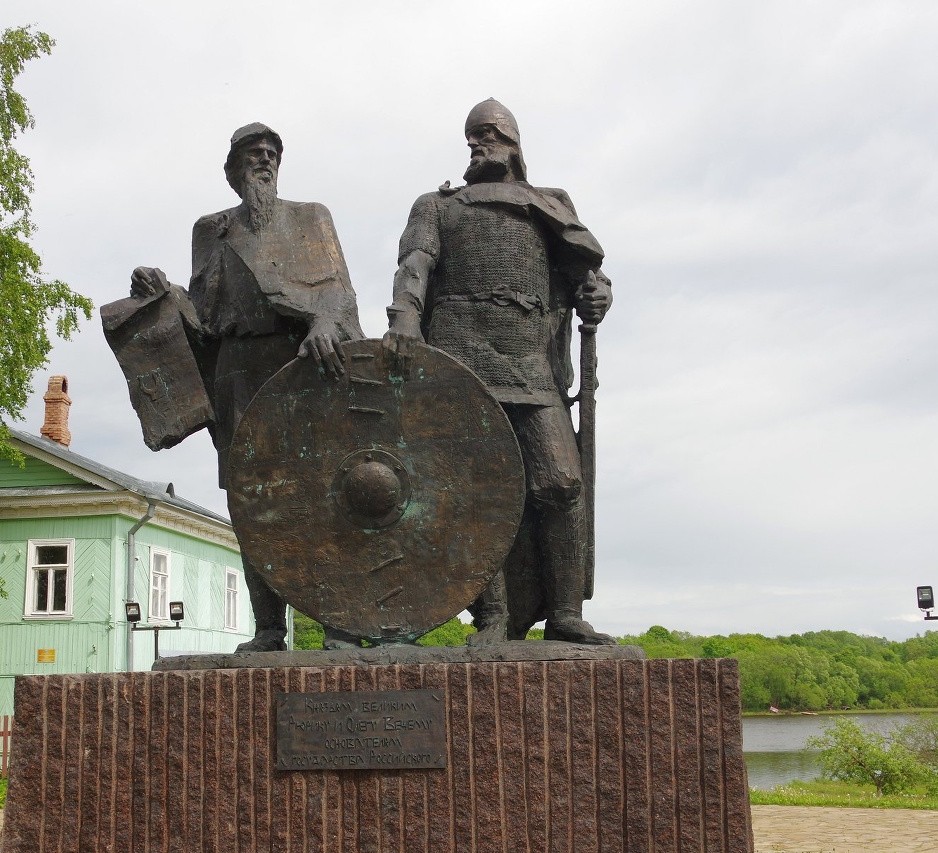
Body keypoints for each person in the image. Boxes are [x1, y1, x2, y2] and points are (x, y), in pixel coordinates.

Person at [384, 99, 614, 644]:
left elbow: (590, 274)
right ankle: (491, 617)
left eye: (487, 134)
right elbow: (414, 267)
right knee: (475, 489)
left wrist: (598, 295)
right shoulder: (437, 206)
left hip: (532, 363)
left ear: (513, 141)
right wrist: (406, 323)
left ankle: (564, 612)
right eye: (471, 137)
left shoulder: (549, 204)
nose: (477, 145)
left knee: (561, 482)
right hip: (462, 359)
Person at [131, 123, 363, 652]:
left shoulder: (311, 218)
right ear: (232, 171)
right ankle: (268, 628)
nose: (264, 160)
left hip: (302, 364)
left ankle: (339, 626)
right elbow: (201, 318)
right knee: (251, 500)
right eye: (252, 154)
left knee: (325, 490)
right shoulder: (210, 230)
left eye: (271, 153)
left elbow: (341, 295)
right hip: (237, 370)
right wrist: (162, 292)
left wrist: (325, 322)